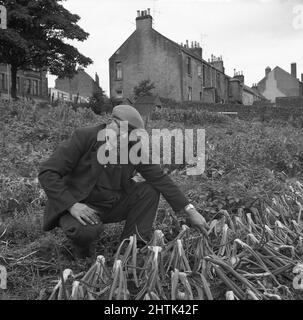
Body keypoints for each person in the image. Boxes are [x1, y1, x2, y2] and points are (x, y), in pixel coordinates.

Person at [38, 105, 207, 258]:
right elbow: (48, 172)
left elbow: (159, 178)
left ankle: (132, 246)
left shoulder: (133, 148)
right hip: (78, 206)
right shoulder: (85, 137)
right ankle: (80, 253)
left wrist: (190, 210)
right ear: (111, 123)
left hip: (110, 204)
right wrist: (72, 205)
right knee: (85, 232)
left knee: (149, 189)